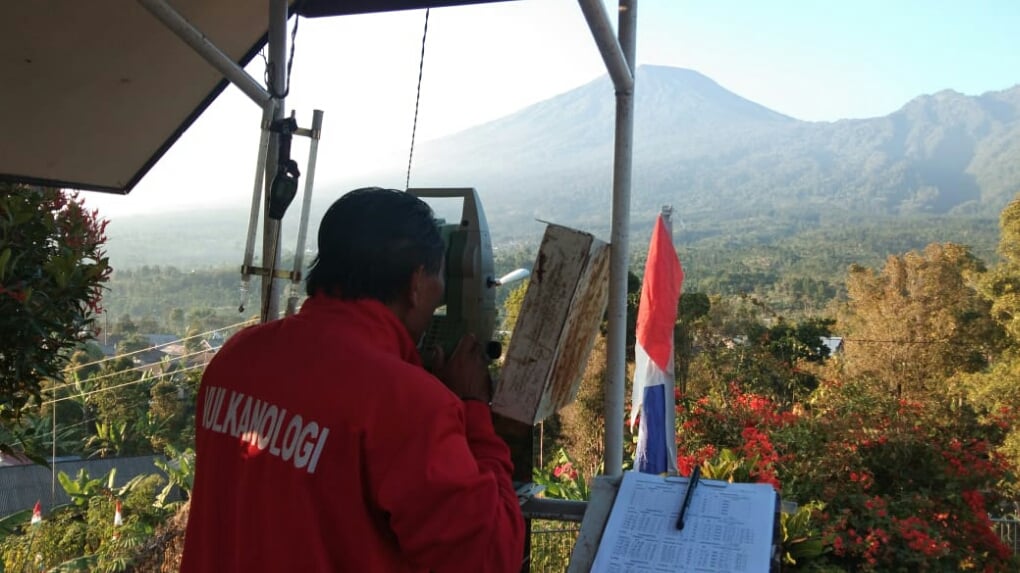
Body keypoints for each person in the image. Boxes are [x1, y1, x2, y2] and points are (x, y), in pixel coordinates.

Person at [181, 188, 525, 572]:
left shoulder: (235, 358)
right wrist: (473, 409)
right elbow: (490, 557)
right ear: (416, 284)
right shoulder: (407, 404)